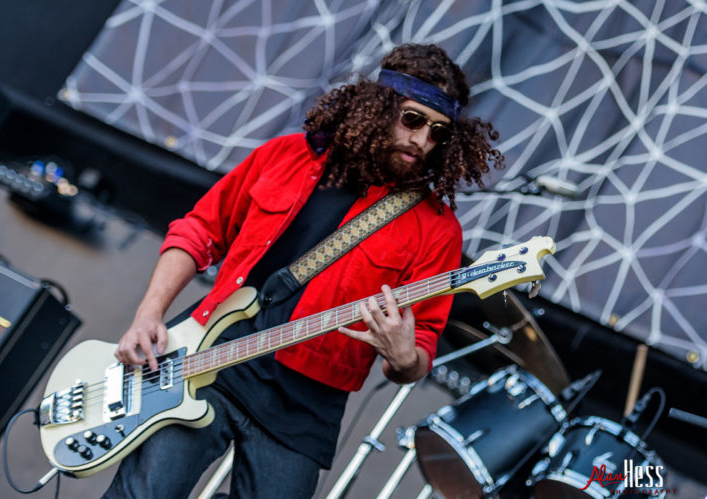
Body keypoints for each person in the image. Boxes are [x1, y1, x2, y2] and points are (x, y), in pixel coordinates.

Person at [105, 43, 503, 498]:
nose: (421, 141)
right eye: (412, 120)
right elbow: (199, 230)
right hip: (211, 355)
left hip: (307, 404)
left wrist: (403, 355)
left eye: (438, 132)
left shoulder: (437, 231)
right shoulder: (287, 156)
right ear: (380, 105)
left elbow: (422, 346)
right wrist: (148, 315)